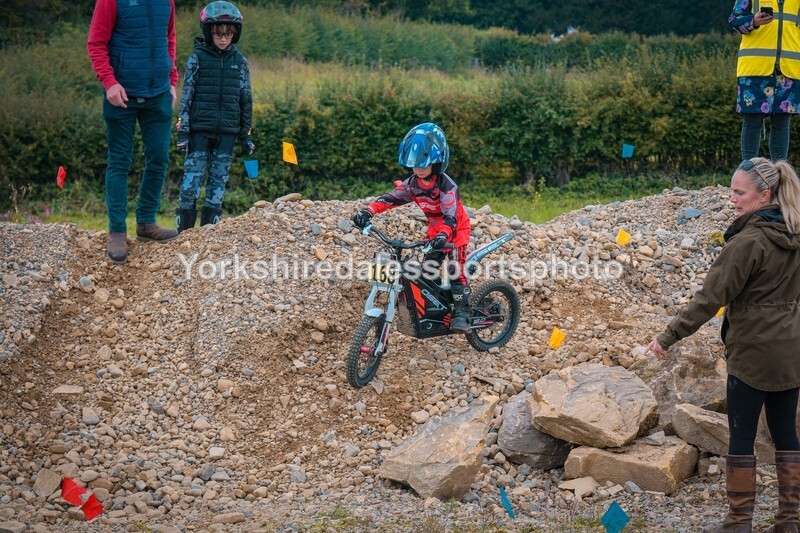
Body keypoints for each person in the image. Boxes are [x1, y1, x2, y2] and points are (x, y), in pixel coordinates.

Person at [646, 157, 800, 532]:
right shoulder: (796, 233)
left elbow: (709, 298)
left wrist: (668, 337)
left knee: (743, 436)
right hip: (792, 351)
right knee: (786, 433)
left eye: (738, 192)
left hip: (752, 352)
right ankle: (790, 520)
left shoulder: (748, 242)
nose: (731, 199)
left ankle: (739, 522)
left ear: (764, 194)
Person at [351, 123, 472, 333]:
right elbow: (391, 198)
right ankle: (435, 313)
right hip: (436, 231)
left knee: (455, 270)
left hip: (455, 231)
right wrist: (368, 211)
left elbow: (450, 216)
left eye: (423, 165)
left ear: (437, 163)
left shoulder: (447, 187)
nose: (417, 169)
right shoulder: (413, 184)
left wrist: (443, 235)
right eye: (414, 165)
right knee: (428, 272)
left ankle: (462, 312)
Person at [87, 0, 180, 264]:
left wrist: (172, 80)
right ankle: (117, 231)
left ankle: (146, 223)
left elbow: (169, 39)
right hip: (121, 94)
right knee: (119, 162)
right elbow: (96, 43)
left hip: (159, 94)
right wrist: (109, 82)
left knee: (159, 159)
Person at [174, 1, 254, 233]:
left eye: (228, 35)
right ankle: (184, 234)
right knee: (191, 184)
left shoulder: (240, 63)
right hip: (199, 130)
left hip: (227, 133)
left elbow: (245, 99)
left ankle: (210, 236)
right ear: (209, 32)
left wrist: (245, 134)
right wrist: (183, 130)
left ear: (234, 35)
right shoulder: (196, 58)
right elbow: (186, 95)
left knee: (217, 186)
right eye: (218, 34)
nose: (223, 39)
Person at [729, 0, 800, 162]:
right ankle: (748, 170)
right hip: (755, 68)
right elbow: (733, 20)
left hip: (789, 69)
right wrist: (752, 21)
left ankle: (779, 173)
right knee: (752, 120)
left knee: (782, 122)